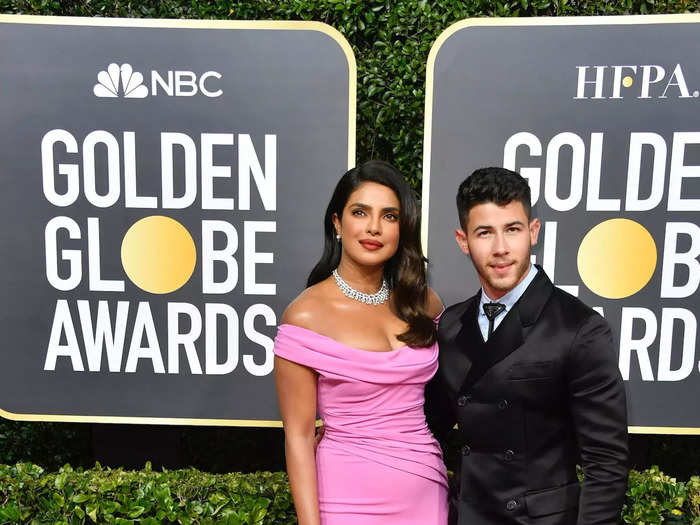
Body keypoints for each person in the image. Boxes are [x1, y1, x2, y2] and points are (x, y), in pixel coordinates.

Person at [426, 167, 629, 525]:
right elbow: (426, 426)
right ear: (463, 240)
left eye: (513, 229)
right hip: (468, 515)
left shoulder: (580, 328)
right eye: (485, 233)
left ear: (533, 232)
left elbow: (606, 464)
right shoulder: (451, 325)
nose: (501, 248)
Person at [273, 160, 448, 525]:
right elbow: (299, 438)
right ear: (337, 223)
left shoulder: (425, 304)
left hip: (425, 492)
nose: (373, 227)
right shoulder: (306, 315)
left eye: (389, 216)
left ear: (403, 228)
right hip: (345, 497)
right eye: (360, 212)